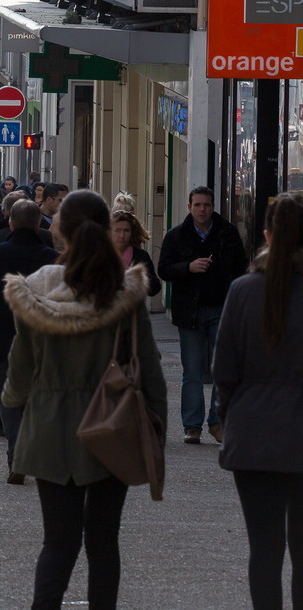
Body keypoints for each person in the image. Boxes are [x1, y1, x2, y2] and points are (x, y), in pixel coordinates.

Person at [4, 190, 166, 610]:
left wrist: (14, 403)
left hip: (49, 428)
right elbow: (148, 368)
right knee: (103, 541)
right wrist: (156, 431)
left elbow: (20, 370)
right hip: (112, 423)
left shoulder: (35, 291)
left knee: (57, 542)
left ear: (61, 231)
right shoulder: (124, 295)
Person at [214, 192, 303, 610]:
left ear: (266, 235)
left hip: (254, 434)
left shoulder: (244, 290)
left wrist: (229, 417)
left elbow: (225, 370)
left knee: (264, 552)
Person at [158, 185, 248, 444]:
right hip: (190, 312)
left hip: (222, 308)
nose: (202, 209)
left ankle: (217, 422)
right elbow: (164, 269)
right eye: (197, 205)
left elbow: (240, 267)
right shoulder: (177, 236)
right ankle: (192, 426)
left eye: (206, 205)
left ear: (213, 207)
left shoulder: (227, 233)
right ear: (189, 207)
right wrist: (188, 267)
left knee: (222, 368)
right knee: (192, 371)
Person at [0, 198, 57, 473]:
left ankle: (16, 455)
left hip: (1, 334)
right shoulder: (51, 259)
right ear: (37, 225)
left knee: (7, 399)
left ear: (10, 221)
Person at [108, 202, 161, 298]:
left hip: (133, 310)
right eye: (118, 230)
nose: (122, 235)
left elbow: (155, 288)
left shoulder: (140, 256)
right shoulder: (100, 254)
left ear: (132, 233)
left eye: (126, 231)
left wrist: (138, 278)